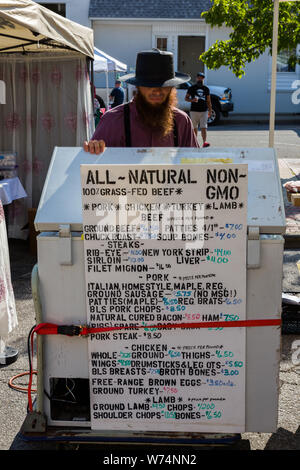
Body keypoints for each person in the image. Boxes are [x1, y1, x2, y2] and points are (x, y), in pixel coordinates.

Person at [84, 49, 199, 154]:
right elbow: (92, 169)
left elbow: (195, 166)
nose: (157, 91)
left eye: (164, 85)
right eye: (149, 85)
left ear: (171, 88)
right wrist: (93, 150)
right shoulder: (112, 121)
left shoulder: (182, 122)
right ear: (138, 86)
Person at [185, 72, 212, 148]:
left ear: (203, 78)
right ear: (196, 78)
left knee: (204, 127)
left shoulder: (206, 89)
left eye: (202, 77)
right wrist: (192, 100)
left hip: (204, 111)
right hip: (194, 111)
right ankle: (195, 143)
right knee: (194, 128)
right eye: (199, 77)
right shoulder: (192, 88)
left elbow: (208, 100)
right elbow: (186, 98)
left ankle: (204, 142)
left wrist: (210, 110)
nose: (200, 79)